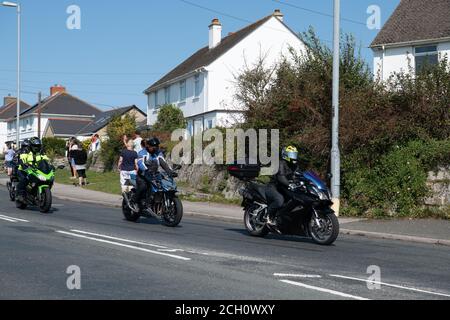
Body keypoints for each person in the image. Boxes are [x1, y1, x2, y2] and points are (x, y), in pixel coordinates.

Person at [131, 137, 177, 212]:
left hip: (154, 175)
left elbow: (163, 162)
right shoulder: (142, 152)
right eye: (154, 147)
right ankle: (135, 202)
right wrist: (146, 170)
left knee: (162, 186)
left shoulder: (158, 153)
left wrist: (170, 171)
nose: (156, 148)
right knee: (143, 186)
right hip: (142, 175)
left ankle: (156, 203)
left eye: (157, 146)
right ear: (148, 146)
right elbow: (140, 163)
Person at [266, 146, 299, 230]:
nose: (293, 157)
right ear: (285, 155)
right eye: (291, 155)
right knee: (279, 200)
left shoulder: (294, 165)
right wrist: (289, 184)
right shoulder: (280, 163)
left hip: (285, 188)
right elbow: (281, 178)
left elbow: (298, 175)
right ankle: (269, 216)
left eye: (294, 155)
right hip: (274, 187)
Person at [16, 137, 49, 203]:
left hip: (35, 170)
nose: (36, 147)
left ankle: (36, 192)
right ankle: (20, 195)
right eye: (35, 146)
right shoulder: (25, 150)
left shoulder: (40, 152)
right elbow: (23, 159)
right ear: (31, 145)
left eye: (38, 146)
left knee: (44, 178)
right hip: (24, 169)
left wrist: (49, 166)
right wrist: (25, 164)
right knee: (24, 179)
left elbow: (45, 160)